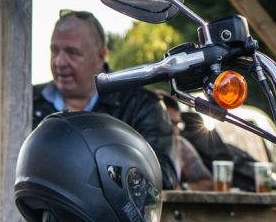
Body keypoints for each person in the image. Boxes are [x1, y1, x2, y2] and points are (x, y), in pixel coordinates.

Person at [32, 10, 178, 189]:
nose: (59, 62)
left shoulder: (142, 105)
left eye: (72, 52)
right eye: (54, 50)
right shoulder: (26, 102)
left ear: (101, 56)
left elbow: (162, 177)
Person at [160, 93, 213, 191]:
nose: (175, 130)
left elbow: (208, 184)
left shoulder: (180, 146)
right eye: (168, 123)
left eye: (176, 123)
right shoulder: (137, 145)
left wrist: (182, 188)